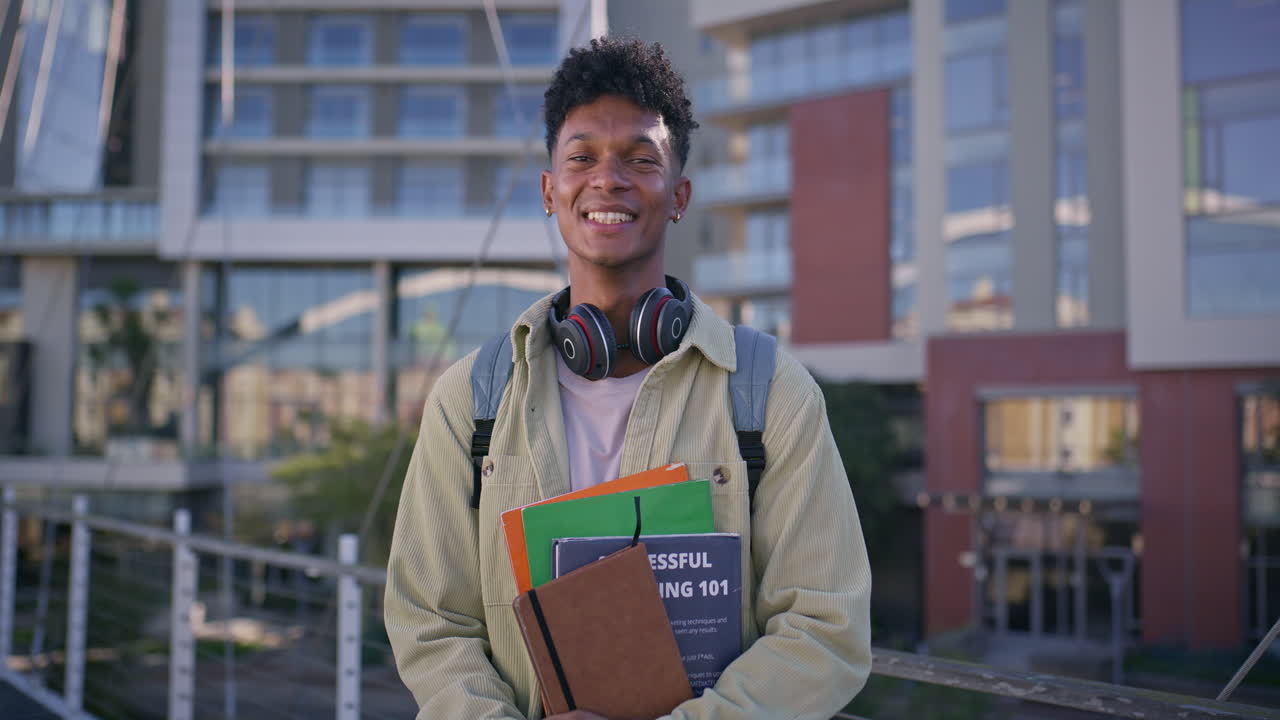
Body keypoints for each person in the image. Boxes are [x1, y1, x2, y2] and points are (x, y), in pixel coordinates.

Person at [384, 37, 872, 720]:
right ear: (550, 192)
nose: (608, 180)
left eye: (641, 160)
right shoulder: (471, 401)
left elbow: (826, 628)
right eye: (582, 157)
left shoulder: (768, 392)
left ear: (679, 195)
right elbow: (429, 621)